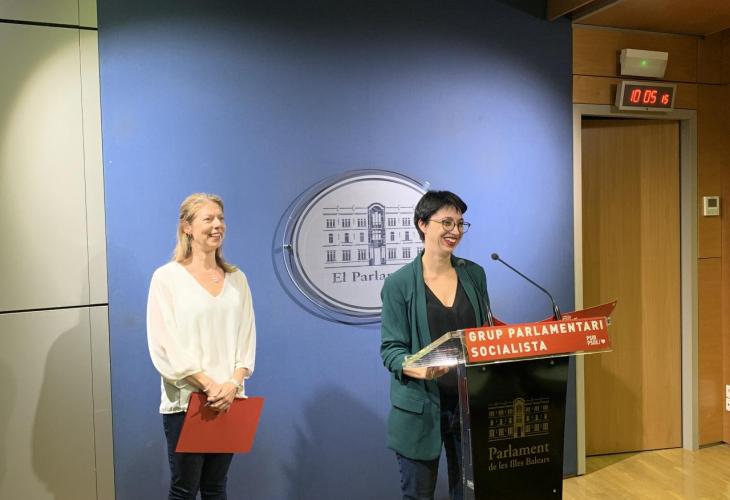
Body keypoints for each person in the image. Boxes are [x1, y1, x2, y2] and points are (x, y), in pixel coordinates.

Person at [380, 190, 492, 500]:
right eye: (446, 222)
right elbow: (391, 350)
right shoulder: (399, 284)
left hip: (469, 405)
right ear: (422, 224)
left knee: (471, 495)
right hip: (420, 408)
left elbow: (484, 334)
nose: (455, 231)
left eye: (460, 223)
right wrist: (415, 367)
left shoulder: (474, 274)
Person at [147, 193, 256, 500]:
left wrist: (232, 384)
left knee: (215, 488)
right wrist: (208, 385)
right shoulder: (166, 278)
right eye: (208, 219)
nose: (217, 225)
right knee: (184, 490)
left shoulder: (237, 279)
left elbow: (247, 338)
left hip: (229, 400)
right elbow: (165, 343)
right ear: (187, 227)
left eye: (221, 218)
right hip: (187, 402)